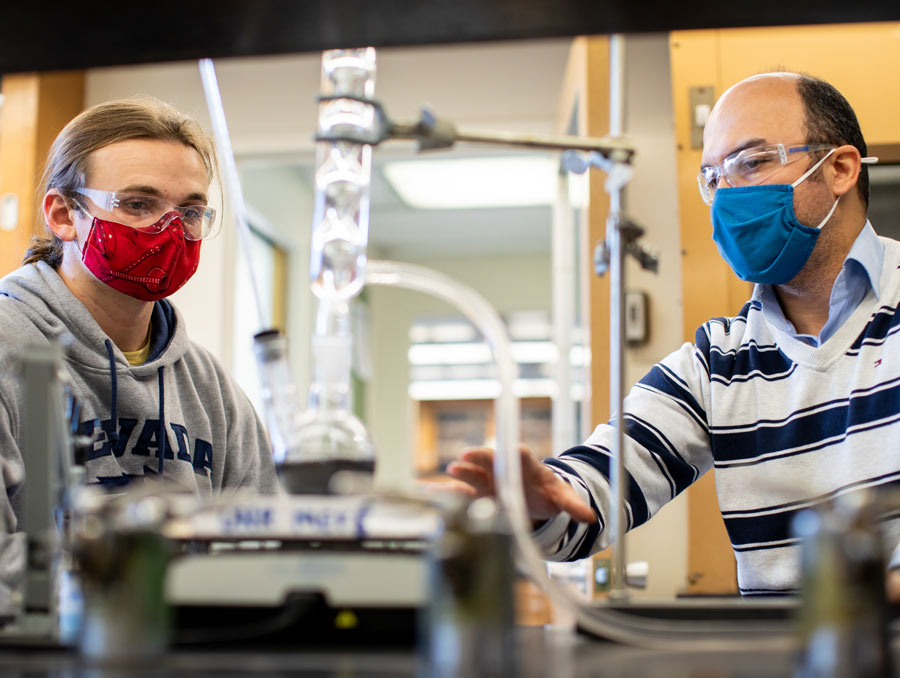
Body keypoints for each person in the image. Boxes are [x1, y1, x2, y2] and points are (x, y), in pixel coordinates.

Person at [449, 71, 900, 597]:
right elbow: (598, 484)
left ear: (841, 168)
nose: (728, 198)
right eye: (713, 179)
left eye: (751, 164)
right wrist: (544, 500)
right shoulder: (719, 362)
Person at [0, 98, 278, 607]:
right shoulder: (9, 352)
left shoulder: (208, 386)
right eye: (137, 204)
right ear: (64, 214)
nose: (168, 230)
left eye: (190, 211)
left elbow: (266, 550)